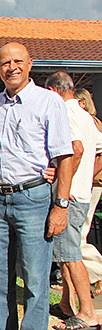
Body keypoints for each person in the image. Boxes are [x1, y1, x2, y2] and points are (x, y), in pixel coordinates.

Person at [0, 42, 73, 330]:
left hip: (33, 198)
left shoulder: (49, 101)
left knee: (35, 279)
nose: (12, 67)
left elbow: (65, 156)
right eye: (5, 63)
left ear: (30, 63)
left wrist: (61, 205)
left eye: (18, 61)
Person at [46, 72, 102, 330]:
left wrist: (60, 177)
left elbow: (75, 149)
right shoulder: (85, 115)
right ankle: (68, 304)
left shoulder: (65, 113)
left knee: (71, 256)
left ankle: (88, 312)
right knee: (66, 253)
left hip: (69, 196)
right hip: (81, 192)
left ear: (54, 91)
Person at [74, 88, 102, 296]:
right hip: (86, 184)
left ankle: (99, 273)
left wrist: (86, 177)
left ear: (82, 102)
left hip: (89, 185)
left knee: (78, 237)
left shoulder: (89, 121)